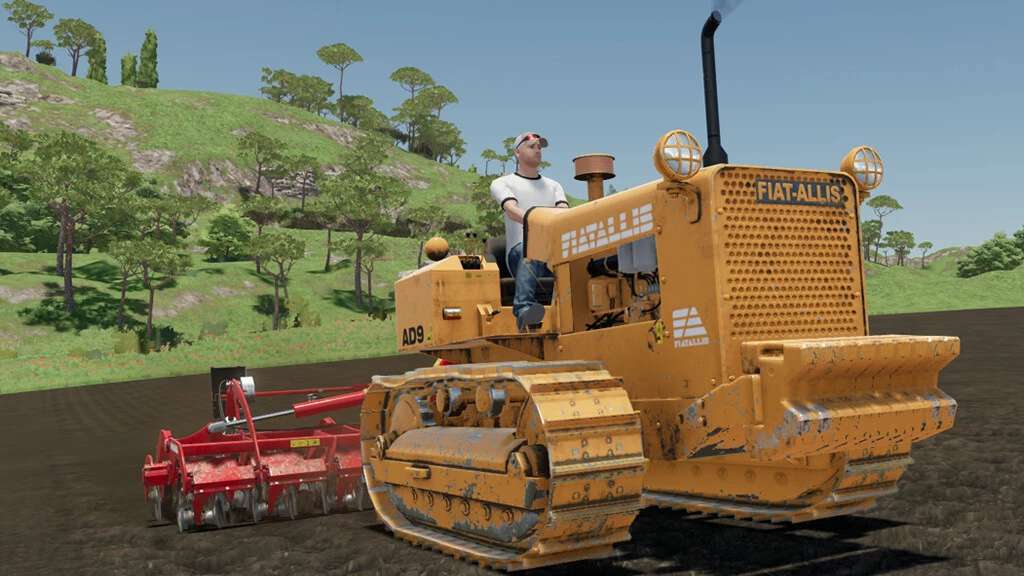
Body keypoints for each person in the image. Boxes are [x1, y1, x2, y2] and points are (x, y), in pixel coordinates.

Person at [489, 132, 569, 331]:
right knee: (531, 248)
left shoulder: (554, 185)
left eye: (539, 147)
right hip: (520, 250)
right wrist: (540, 223)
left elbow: (564, 213)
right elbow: (512, 210)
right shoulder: (503, 183)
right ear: (517, 152)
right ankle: (524, 310)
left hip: (553, 250)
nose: (537, 150)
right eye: (532, 146)